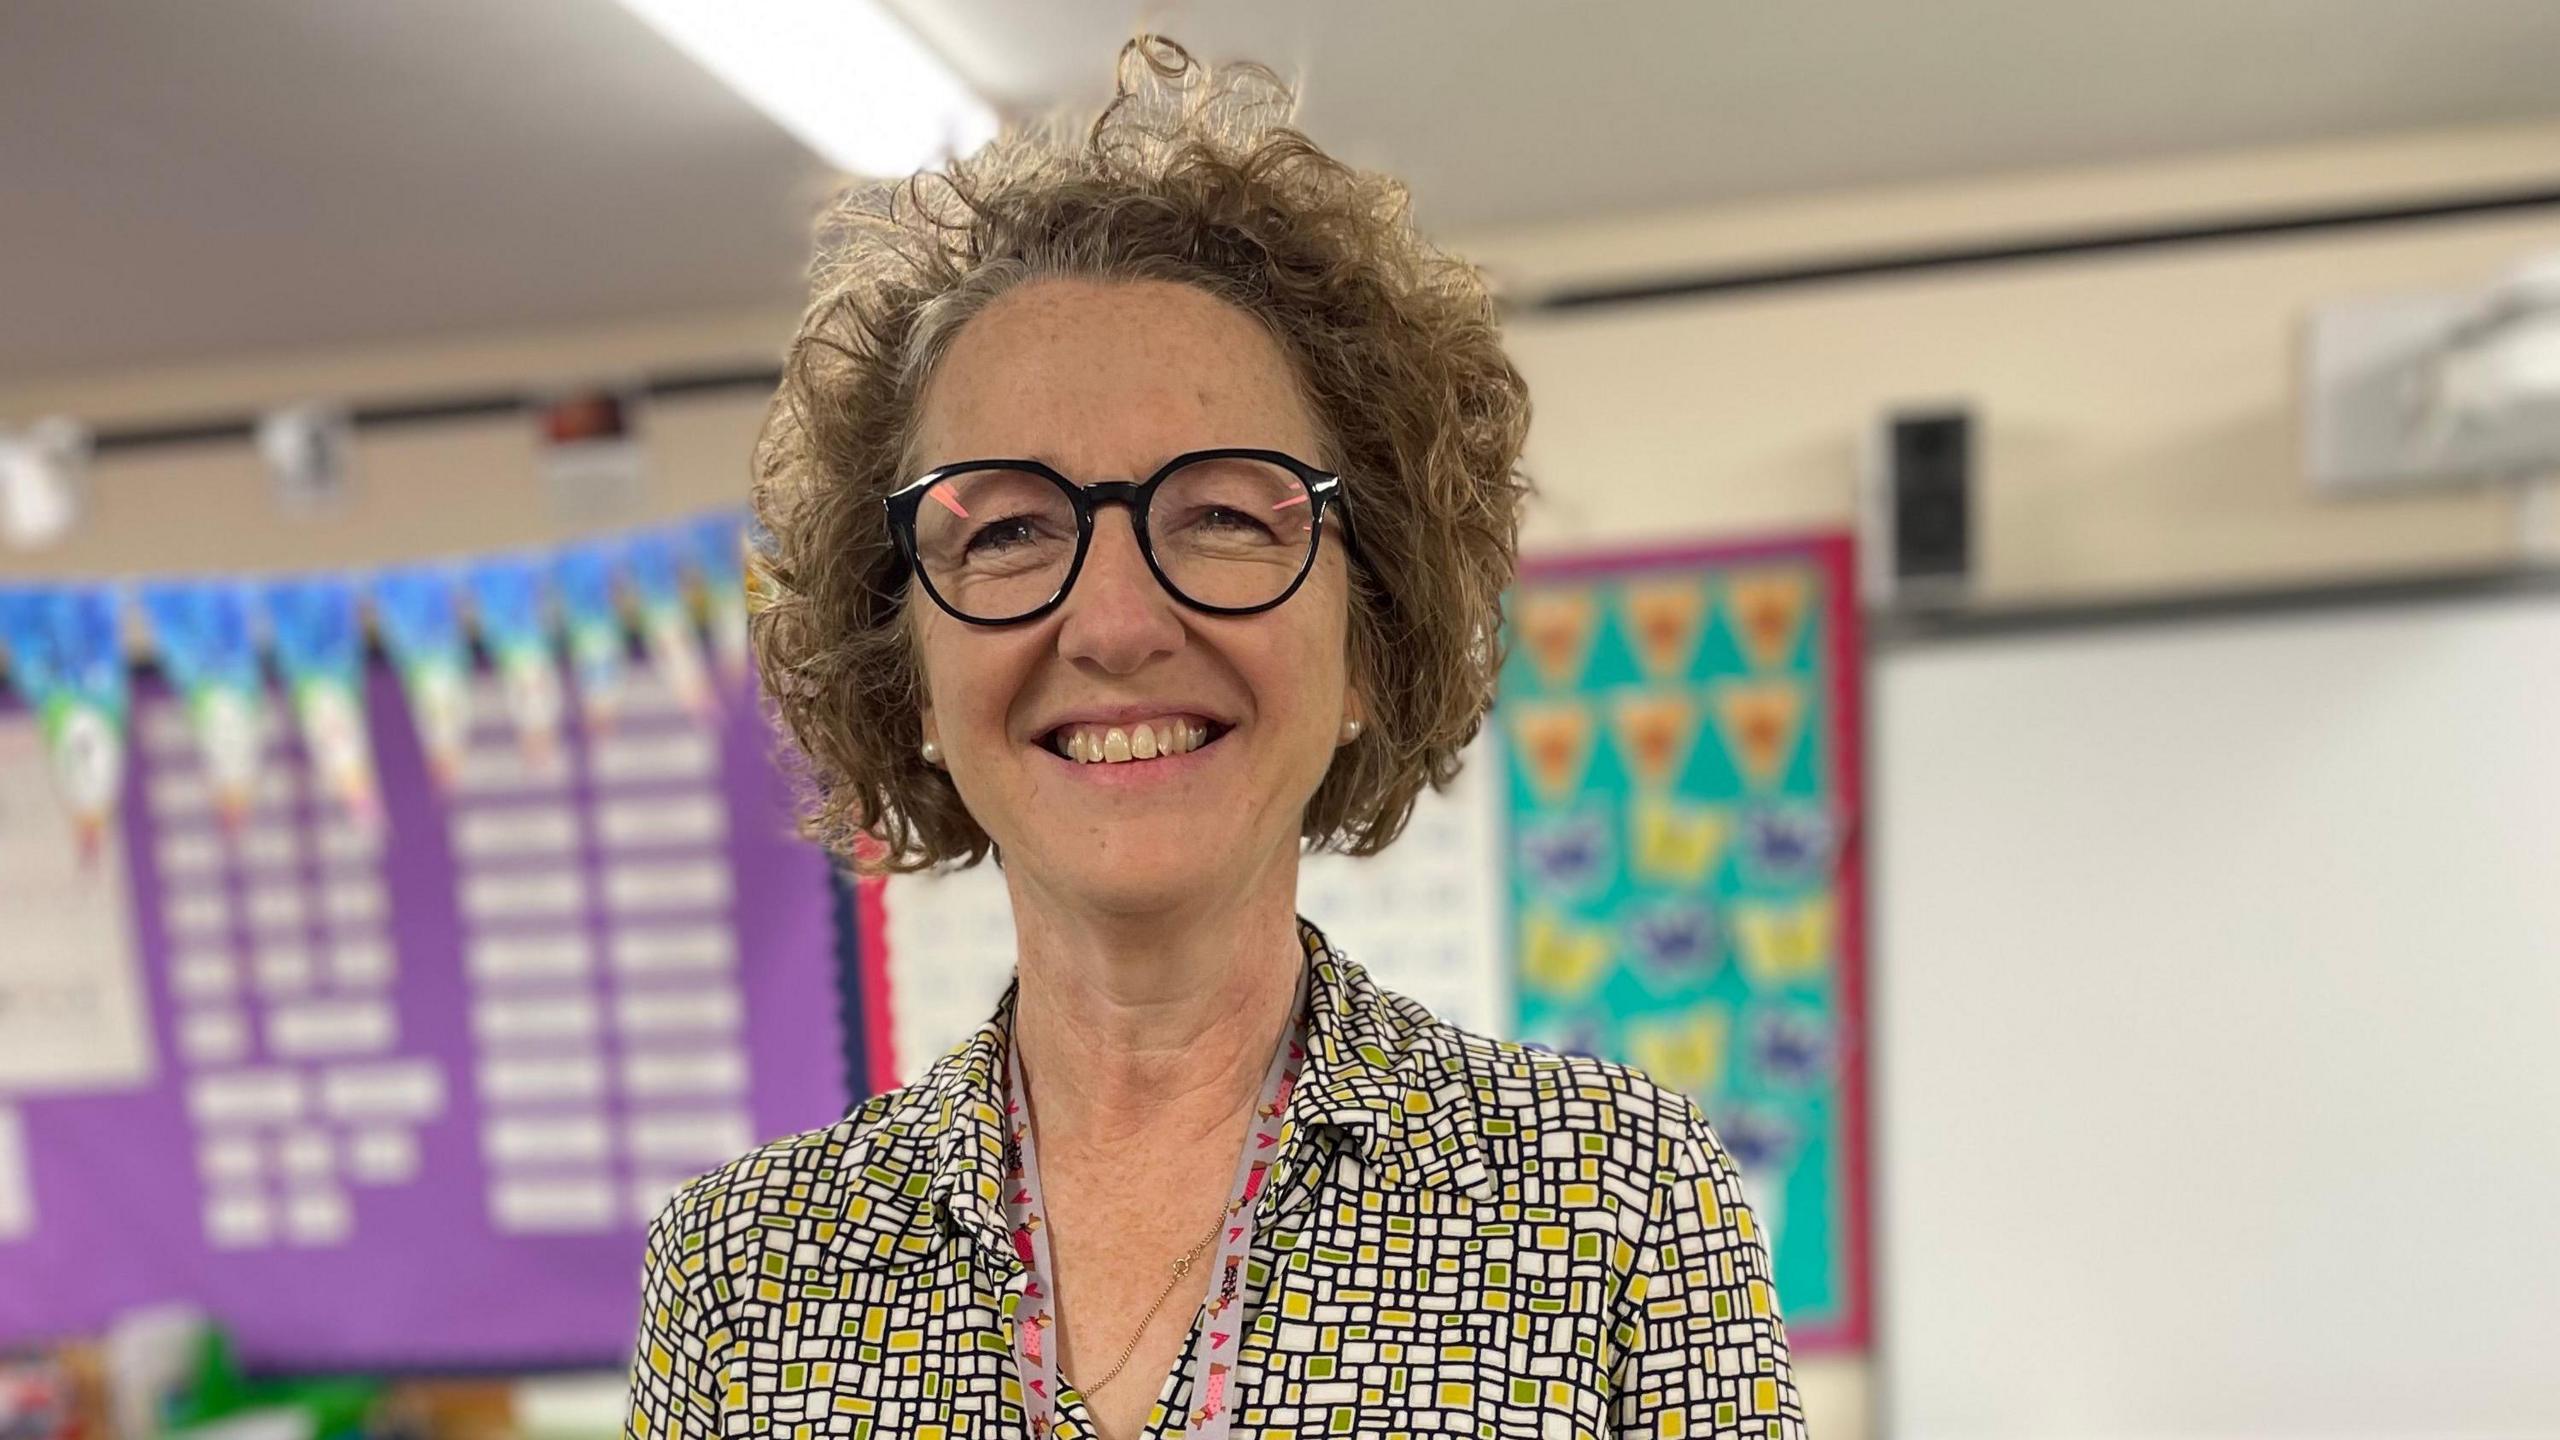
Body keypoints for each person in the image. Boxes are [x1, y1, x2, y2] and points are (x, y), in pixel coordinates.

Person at [627, 36, 1803, 1440]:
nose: (1116, 620)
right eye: (1006, 529)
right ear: (914, 676)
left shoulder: (1614, 1212)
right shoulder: (745, 1282)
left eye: (1229, 516)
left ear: (1369, 637)